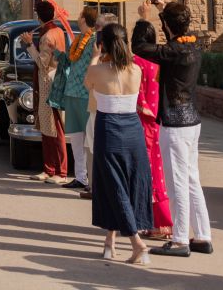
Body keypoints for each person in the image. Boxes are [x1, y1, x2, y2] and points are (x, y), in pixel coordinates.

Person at [134, 0, 213, 258]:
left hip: (175, 123)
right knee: (192, 179)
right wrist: (161, 11)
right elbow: (177, 34)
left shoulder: (172, 51)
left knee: (177, 181)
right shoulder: (193, 46)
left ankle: (180, 240)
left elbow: (139, 47)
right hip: (192, 120)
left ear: (167, 26)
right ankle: (202, 235)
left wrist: (144, 18)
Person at [84, 22, 152, 265]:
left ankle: (137, 243)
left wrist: (94, 58)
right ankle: (109, 241)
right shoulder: (136, 70)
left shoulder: (98, 70)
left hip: (109, 129)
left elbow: (87, 84)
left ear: (104, 45)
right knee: (119, 184)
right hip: (133, 130)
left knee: (114, 186)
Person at [130, 21, 173, 240]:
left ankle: (143, 222)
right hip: (159, 122)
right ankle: (163, 223)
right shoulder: (161, 62)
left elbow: (135, 94)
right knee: (159, 172)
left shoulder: (134, 62)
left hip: (140, 123)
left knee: (141, 174)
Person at [51, 5, 101, 191]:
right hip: (71, 92)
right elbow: (69, 60)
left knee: (90, 139)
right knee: (76, 137)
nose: (78, 17)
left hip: (86, 94)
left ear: (84, 18)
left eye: (80, 15)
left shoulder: (96, 39)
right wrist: (56, 52)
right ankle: (80, 177)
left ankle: (93, 179)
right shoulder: (77, 39)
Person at [32, 0, 73, 182]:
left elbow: (42, 64)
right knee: (47, 128)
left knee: (55, 129)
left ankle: (61, 172)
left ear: (39, 16)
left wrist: (28, 45)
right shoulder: (58, 31)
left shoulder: (48, 36)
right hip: (54, 80)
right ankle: (49, 168)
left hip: (49, 82)